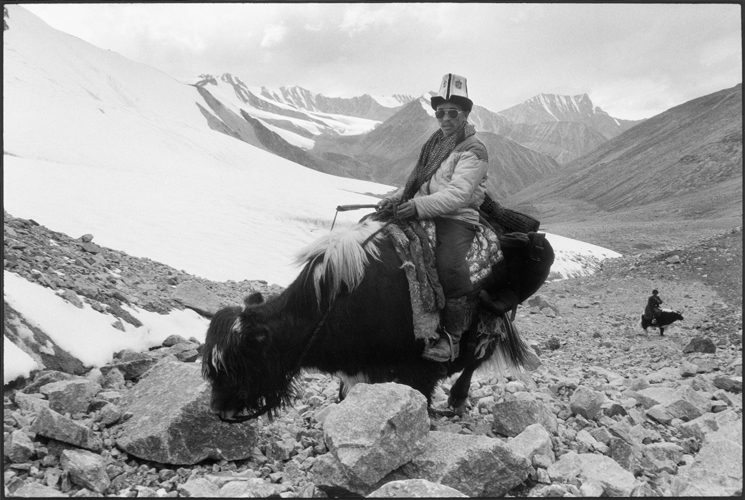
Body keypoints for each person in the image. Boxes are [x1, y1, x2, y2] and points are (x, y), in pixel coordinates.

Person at [377, 73, 489, 362]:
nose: (445, 118)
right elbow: (418, 183)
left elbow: (459, 194)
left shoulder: (474, 149)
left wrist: (417, 207)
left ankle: (451, 336)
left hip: (456, 218)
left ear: (465, 114)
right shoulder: (435, 143)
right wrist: (397, 199)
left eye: (452, 113)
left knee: (450, 266)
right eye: (440, 112)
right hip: (424, 208)